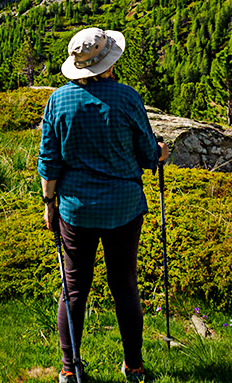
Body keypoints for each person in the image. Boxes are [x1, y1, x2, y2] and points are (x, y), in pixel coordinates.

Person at [38, 27, 170, 383]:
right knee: (124, 283)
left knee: (74, 287)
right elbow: (146, 156)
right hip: (124, 208)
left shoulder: (58, 101)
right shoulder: (128, 98)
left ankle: (69, 369)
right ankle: (134, 366)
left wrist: (50, 204)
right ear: (109, 62)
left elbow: (49, 161)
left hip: (77, 210)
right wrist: (160, 153)